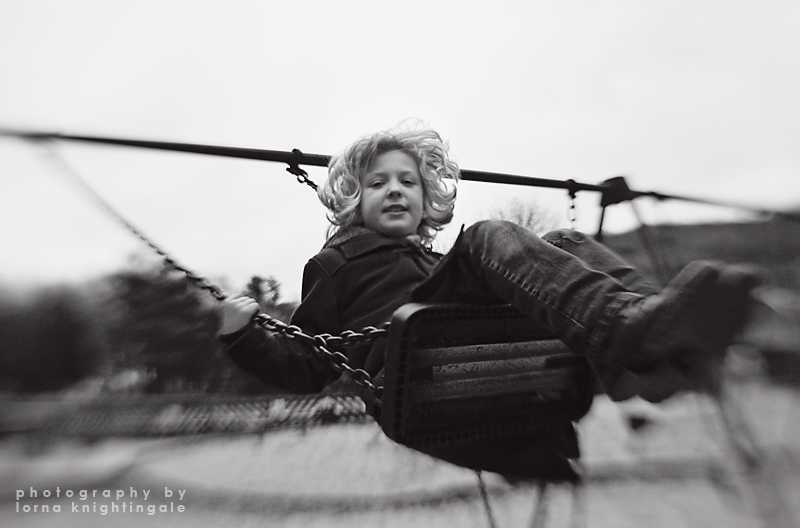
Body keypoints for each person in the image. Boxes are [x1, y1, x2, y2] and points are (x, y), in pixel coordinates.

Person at [218, 125, 758, 477]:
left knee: (564, 242)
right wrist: (242, 335)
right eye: (378, 182)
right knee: (486, 237)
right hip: (414, 377)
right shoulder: (336, 264)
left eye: (408, 181)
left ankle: (659, 347)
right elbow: (310, 364)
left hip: (486, 354)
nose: (397, 190)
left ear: (427, 198)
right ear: (353, 200)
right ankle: (633, 340)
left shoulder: (433, 264)